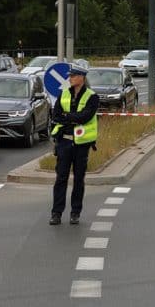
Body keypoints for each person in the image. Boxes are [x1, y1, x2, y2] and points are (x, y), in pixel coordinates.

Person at [49, 64, 99, 226]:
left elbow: (85, 117)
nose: (70, 78)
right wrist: (72, 117)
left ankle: (75, 213)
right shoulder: (63, 94)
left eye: (73, 76)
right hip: (64, 141)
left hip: (82, 144)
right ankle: (56, 213)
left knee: (79, 179)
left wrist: (68, 116)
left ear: (82, 78)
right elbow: (56, 116)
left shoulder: (92, 97)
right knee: (61, 178)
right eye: (70, 76)